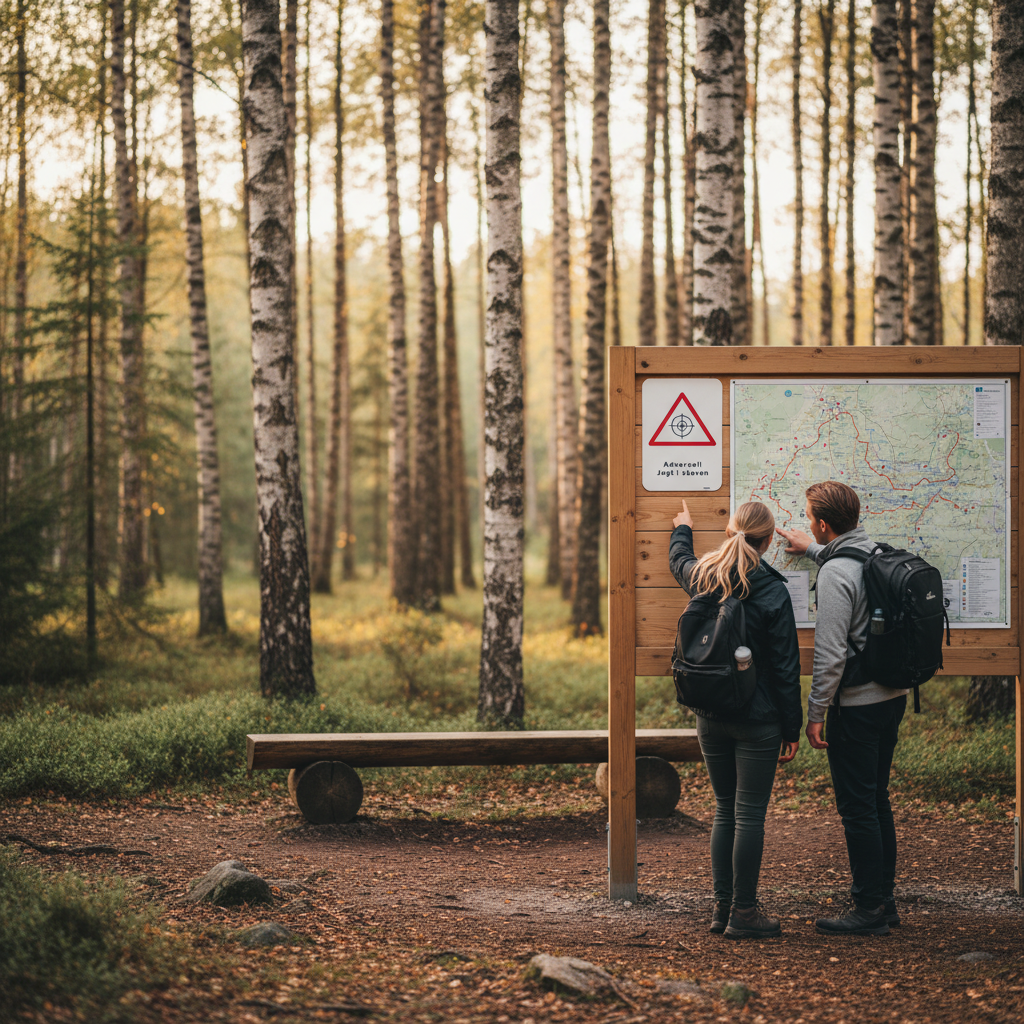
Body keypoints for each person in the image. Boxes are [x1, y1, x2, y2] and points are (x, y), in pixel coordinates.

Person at [776, 480, 909, 937]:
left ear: (824, 523)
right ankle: (884, 902)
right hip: (891, 697)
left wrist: (815, 715)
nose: (808, 523)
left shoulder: (835, 575)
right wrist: (812, 549)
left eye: (810, 518)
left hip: (855, 707)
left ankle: (869, 908)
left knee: (856, 808)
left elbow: (830, 655)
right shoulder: (874, 552)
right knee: (876, 800)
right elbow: (844, 562)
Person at [670, 498, 802, 940]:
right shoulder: (772, 590)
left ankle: (721, 908)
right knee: (749, 814)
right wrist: (791, 727)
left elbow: (679, 561)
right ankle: (744, 912)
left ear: (730, 533)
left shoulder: (704, 577)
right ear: (767, 542)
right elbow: (786, 668)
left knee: (724, 809)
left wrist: (683, 527)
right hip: (757, 719)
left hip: (709, 714)